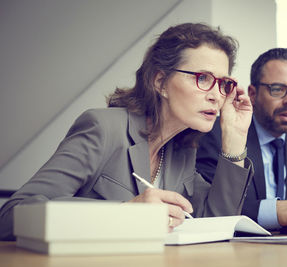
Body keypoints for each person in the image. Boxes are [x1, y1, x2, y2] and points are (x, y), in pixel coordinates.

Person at [0, 23, 254, 241]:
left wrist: (233, 139)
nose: (215, 96)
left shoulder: (181, 149)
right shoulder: (103, 128)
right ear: (160, 82)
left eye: (223, 83)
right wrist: (124, 213)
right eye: (202, 78)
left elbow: (217, 224)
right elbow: (12, 214)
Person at [196, 48, 287, 233]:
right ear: (253, 94)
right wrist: (276, 211)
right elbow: (209, 208)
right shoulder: (217, 133)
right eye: (278, 89)